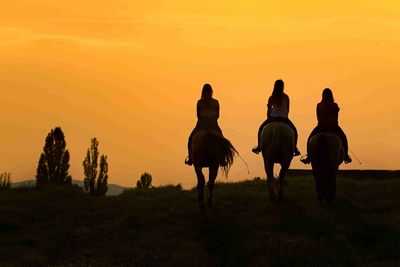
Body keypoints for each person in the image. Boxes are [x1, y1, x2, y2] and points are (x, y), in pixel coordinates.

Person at [301, 88, 352, 164]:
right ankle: (346, 156)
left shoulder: (319, 105)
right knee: (344, 138)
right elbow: (336, 119)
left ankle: (308, 157)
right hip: (333, 127)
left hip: (321, 127)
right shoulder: (335, 105)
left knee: (310, 139)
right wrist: (336, 111)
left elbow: (318, 118)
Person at [252, 79, 301, 156]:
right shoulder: (286, 97)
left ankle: (259, 147)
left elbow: (269, 112)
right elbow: (288, 110)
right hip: (284, 119)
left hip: (272, 118)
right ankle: (295, 148)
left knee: (260, 130)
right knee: (295, 131)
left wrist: (270, 117)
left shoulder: (271, 98)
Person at [185, 83, 223, 165]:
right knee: (221, 138)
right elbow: (217, 115)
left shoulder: (200, 102)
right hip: (213, 125)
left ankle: (190, 158)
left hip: (201, 126)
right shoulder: (216, 102)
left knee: (190, 139)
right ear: (211, 92)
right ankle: (222, 158)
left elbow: (198, 116)